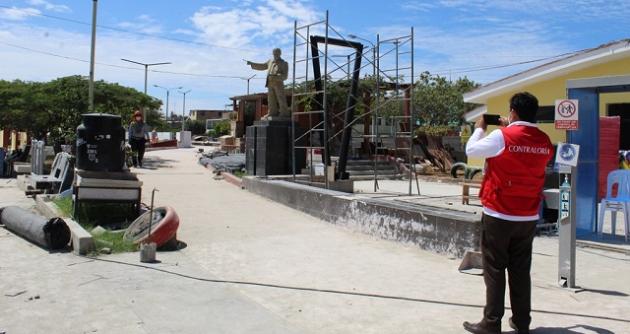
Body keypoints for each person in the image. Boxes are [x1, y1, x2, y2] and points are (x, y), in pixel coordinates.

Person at [463, 92, 553, 334]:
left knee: (494, 269)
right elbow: (525, 154)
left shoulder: (501, 136)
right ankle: (522, 322)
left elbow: (472, 149)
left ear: (513, 111)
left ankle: (491, 322)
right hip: (528, 215)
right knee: (520, 270)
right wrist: (510, 128)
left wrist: (480, 128)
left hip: (499, 213)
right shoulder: (544, 141)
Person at [245, 48, 289, 119]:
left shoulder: (284, 63)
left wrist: (276, 77)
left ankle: (284, 113)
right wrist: (252, 64)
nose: (275, 55)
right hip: (270, 83)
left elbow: (285, 76)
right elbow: (262, 66)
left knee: (281, 98)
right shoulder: (270, 61)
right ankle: (272, 112)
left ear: (280, 54)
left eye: (276, 53)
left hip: (278, 83)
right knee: (270, 99)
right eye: (274, 53)